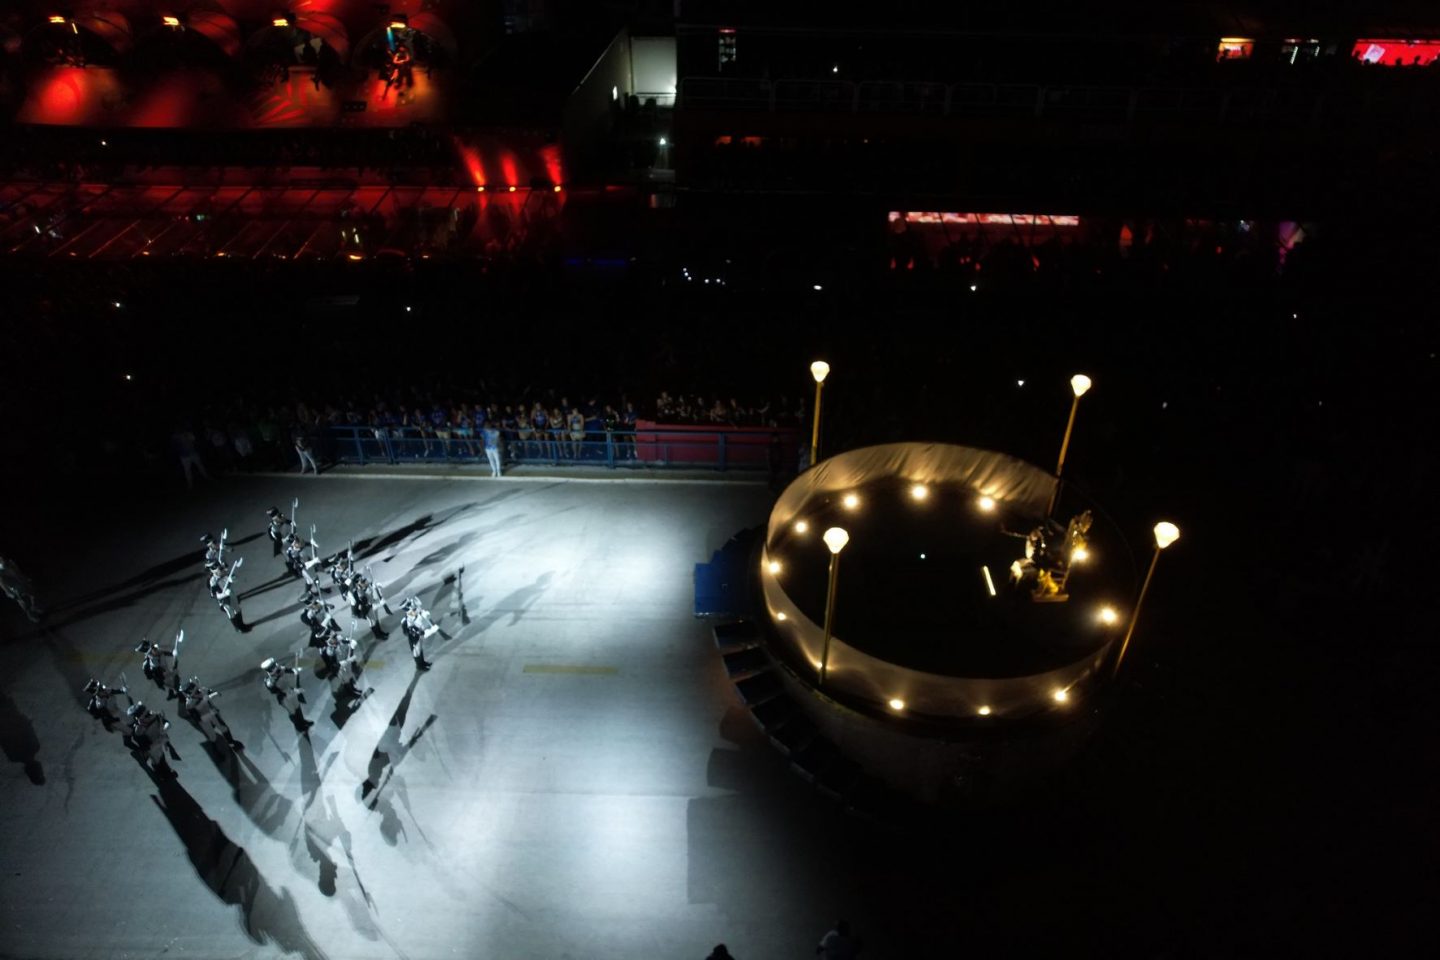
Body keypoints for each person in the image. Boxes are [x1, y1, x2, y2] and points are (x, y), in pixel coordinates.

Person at [179, 678, 243, 751]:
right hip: (204, 719)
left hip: (212, 714)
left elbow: (208, 694)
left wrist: (213, 694)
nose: (198, 692)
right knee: (212, 736)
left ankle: (231, 742)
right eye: (195, 690)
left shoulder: (202, 691)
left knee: (223, 728)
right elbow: (198, 717)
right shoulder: (189, 704)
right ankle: (217, 752)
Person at [125, 702, 178, 777]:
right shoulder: (139, 729)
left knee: (161, 756)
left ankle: (165, 771)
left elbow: (166, 722)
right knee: (157, 759)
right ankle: (162, 774)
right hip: (153, 745)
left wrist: (164, 728)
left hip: (159, 740)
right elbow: (143, 743)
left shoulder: (155, 716)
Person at [260, 657, 311, 731]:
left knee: (298, 708)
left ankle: (303, 721)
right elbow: (274, 690)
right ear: (270, 670)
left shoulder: (280, 669)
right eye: (274, 667)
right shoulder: (269, 681)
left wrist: (295, 670)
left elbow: (289, 670)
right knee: (293, 712)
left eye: (275, 665)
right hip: (285, 698)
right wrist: (277, 678)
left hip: (292, 693)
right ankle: (299, 726)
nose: (277, 667)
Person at [209, 560, 250, 633]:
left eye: (220, 568)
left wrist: (233, 579)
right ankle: (237, 628)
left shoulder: (224, 574)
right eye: (219, 569)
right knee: (230, 612)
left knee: (237, 609)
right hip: (224, 600)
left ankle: (242, 625)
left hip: (231, 594)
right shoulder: (213, 581)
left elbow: (235, 579)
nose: (221, 570)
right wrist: (225, 594)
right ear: (213, 571)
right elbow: (216, 596)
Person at [0, 555, 42, 622]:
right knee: (24, 602)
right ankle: (31, 616)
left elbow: (18, 571)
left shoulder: (10, 563)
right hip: (14, 589)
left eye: (1, 558)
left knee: (32, 595)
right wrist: (9, 592)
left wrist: (25, 578)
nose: (1, 559)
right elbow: (2, 584)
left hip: (22, 583)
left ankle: (34, 607)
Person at [398, 596, 436, 670]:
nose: (411, 604)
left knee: (420, 648)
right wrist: (418, 605)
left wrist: (417, 604)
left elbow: (418, 611)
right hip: (414, 635)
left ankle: (422, 663)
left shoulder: (411, 612)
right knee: (417, 651)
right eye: (409, 604)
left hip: (417, 633)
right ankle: (419, 666)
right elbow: (417, 612)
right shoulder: (410, 613)